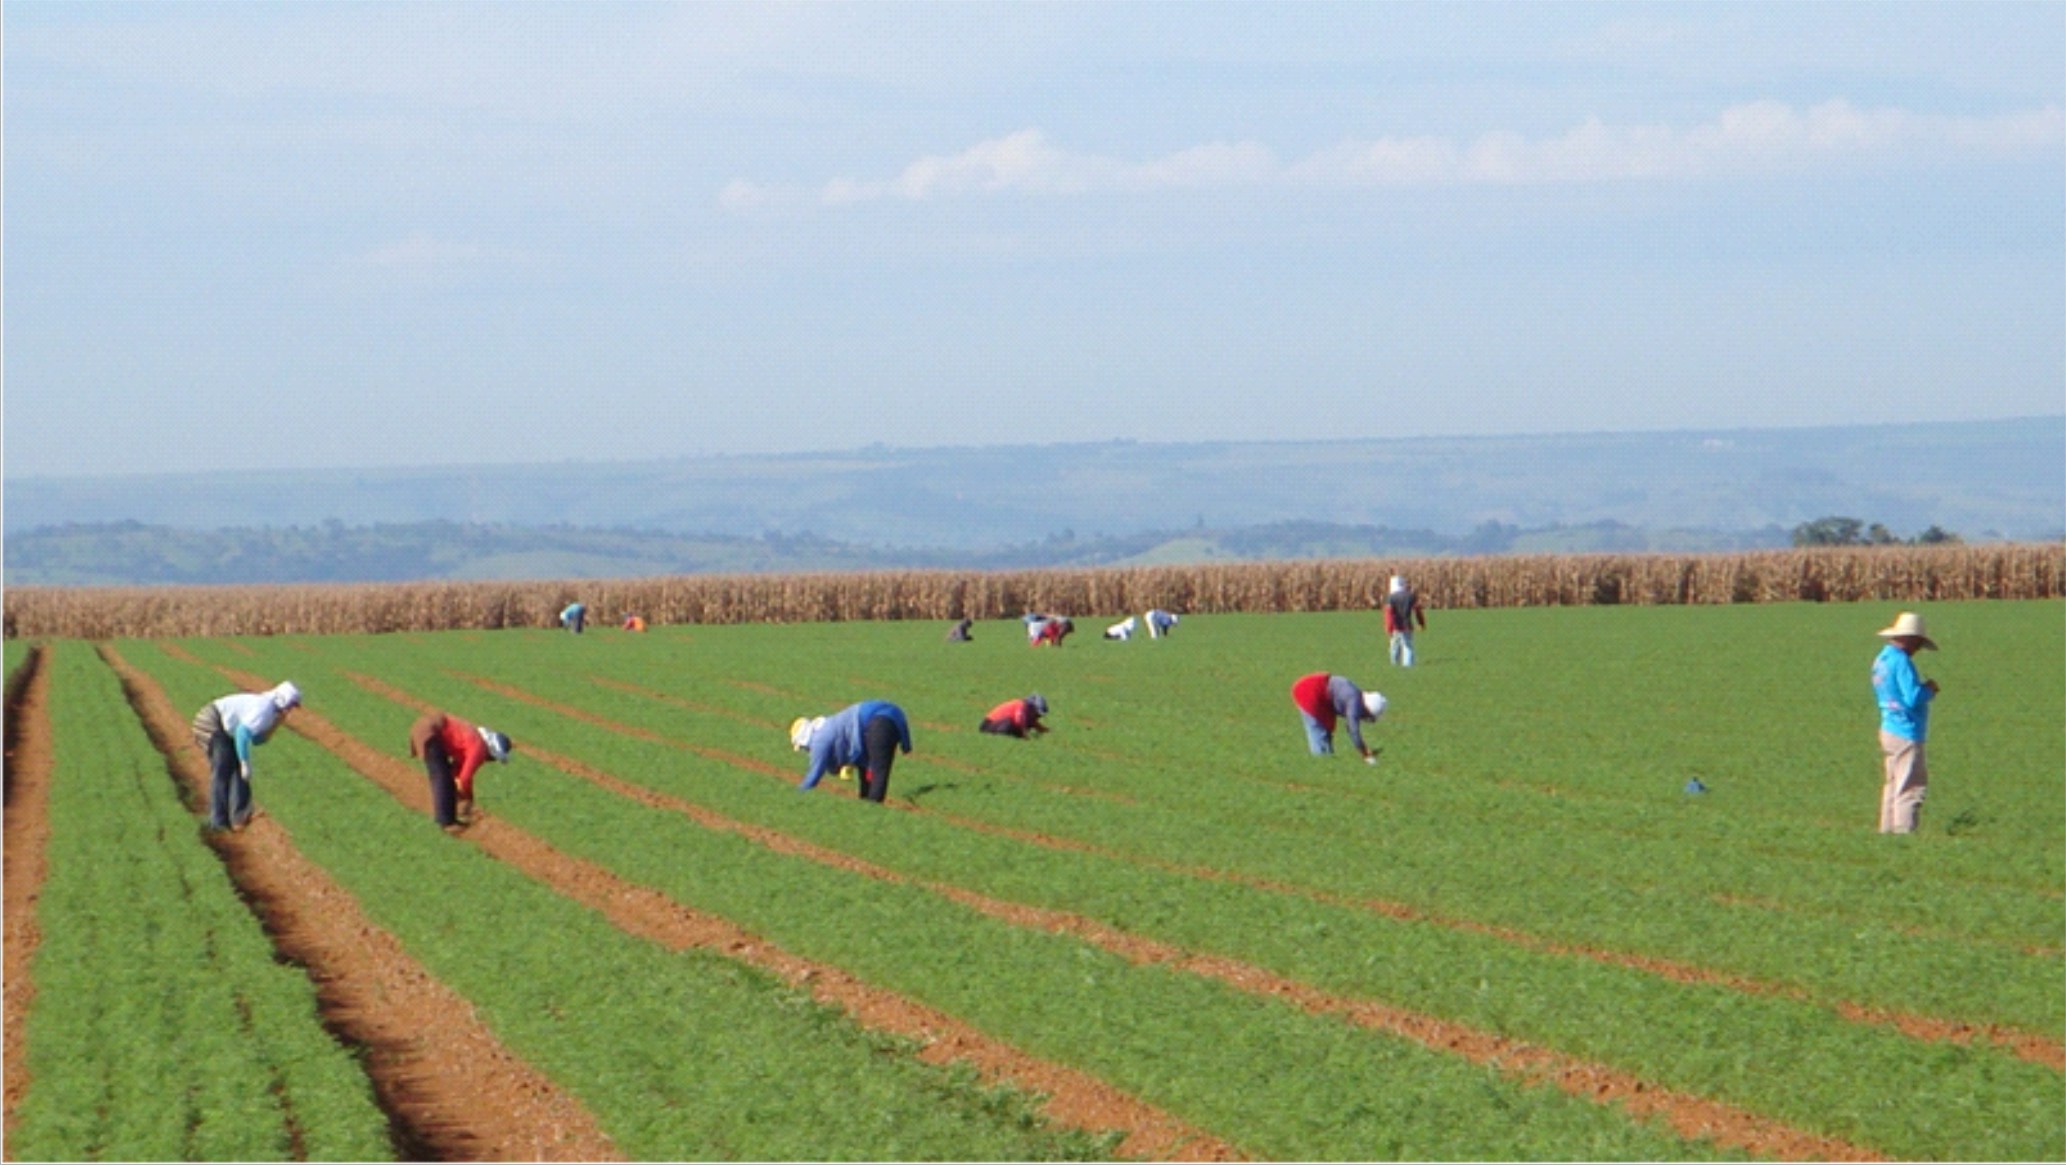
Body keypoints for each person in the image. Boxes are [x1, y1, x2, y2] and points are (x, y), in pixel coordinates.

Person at [189, 681, 301, 831]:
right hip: (211, 722)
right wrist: (244, 762)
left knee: (237, 770)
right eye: (291, 705)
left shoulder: (270, 712)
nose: (290, 710)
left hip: (224, 727)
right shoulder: (264, 708)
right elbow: (242, 733)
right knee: (223, 769)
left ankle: (238, 818)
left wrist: (277, 724)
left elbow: (257, 740)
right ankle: (218, 822)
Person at [1871, 611, 1940, 835]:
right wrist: (1928, 690)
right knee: (1910, 787)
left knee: (1892, 784)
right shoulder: (1901, 662)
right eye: (1918, 643)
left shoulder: (1882, 659)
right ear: (1910, 639)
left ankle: (1887, 830)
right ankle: (1903, 833)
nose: (1918, 649)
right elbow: (1911, 698)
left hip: (1888, 727)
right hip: (1905, 731)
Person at [790, 700, 913, 804]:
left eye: (802, 747)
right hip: (885, 720)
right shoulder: (825, 727)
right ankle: (866, 807)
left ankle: (872, 811)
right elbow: (837, 764)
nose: (805, 751)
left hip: (880, 722)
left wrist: (797, 795)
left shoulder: (819, 742)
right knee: (866, 774)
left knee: (878, 775)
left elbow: (815, 774)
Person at [407, 711, 513, 831]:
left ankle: (449, 818)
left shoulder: (475, 741)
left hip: (426, 727)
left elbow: (458, 774)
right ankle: (446, 822)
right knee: (441, 776)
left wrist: (463, 797)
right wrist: (467, 799)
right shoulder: (479, 748)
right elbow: (465, 778)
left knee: (446, 776)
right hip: (430, 731)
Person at [1289, 672, 1386, 762]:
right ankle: (1321, 762)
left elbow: (1350, 727)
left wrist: (1363, 749)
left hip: (1321, 695)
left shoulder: (1357, 698)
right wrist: (1364, 752)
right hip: (1309, 692)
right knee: (1319, 730)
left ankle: (1327, 758)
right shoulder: (1354, 703)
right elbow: (1353, 729)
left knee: (1327, 728)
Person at [1383, 576, 1425, 667]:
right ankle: (1408, 666)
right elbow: (1417, 610)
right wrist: (1421, 623)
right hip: (1407, 626)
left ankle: (1394, 664)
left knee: (1394, 646)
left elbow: (1388, 614)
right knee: (1408, 647)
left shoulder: (1390, 598)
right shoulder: (1410, 596)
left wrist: (1389, 628)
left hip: (1395, 627)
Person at [979, 693, 1050, 738]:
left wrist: (1046, 731)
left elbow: (1033, 723)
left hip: (998, 724)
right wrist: (1024, 736)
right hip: (989, 725)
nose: (1038, 717)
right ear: (1032, 707)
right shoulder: (1020, 705)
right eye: (1037, 714)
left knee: (1022, 727)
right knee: (1010, 723)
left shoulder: (1029, 714)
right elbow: (1019, 720)